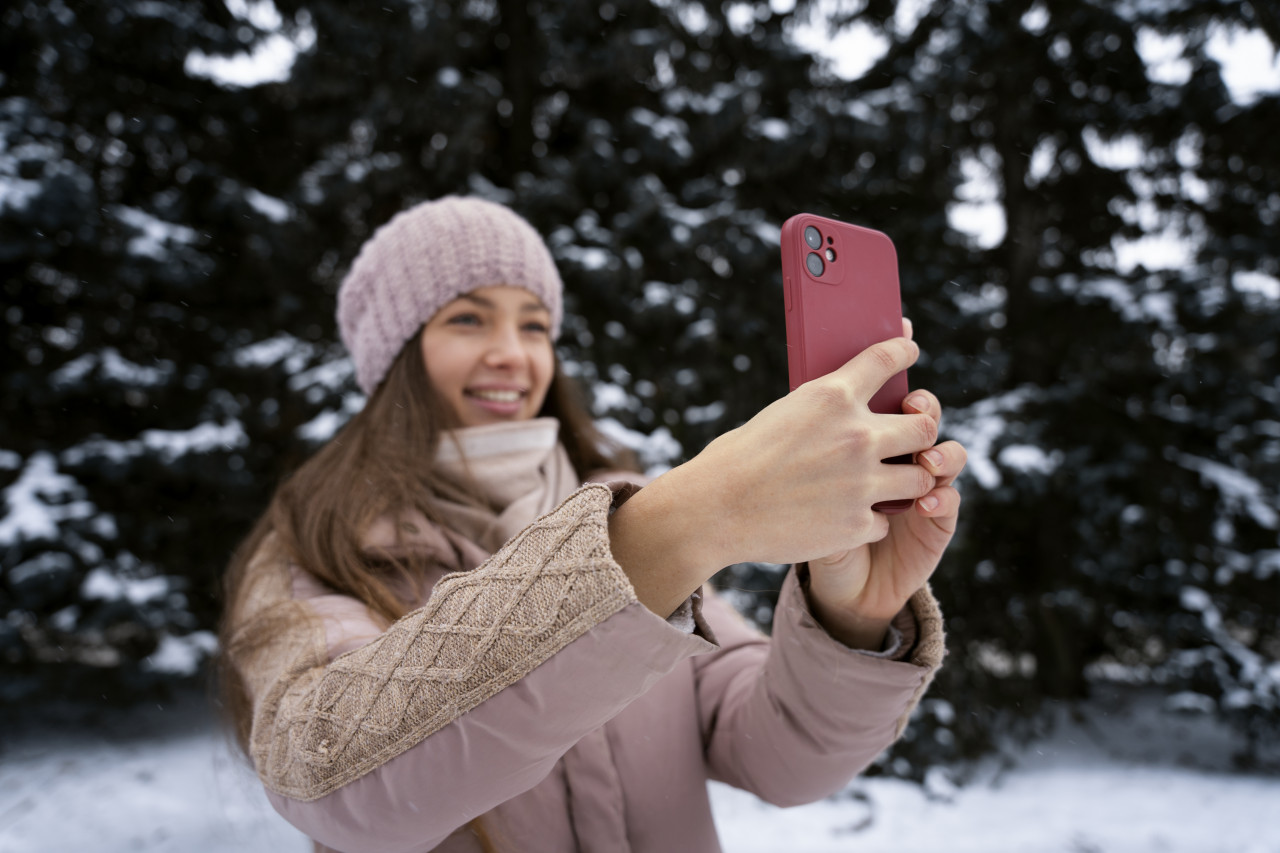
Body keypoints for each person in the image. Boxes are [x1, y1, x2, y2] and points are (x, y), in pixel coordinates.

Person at [218, 196, 967, 853]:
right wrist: (679, 527)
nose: (512, 354)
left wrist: (851, 621)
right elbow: (323, 775)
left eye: (535, 325)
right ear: (394, 353)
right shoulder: (319, 546)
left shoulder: (621, 508)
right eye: (468, 318)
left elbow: (780, 754)